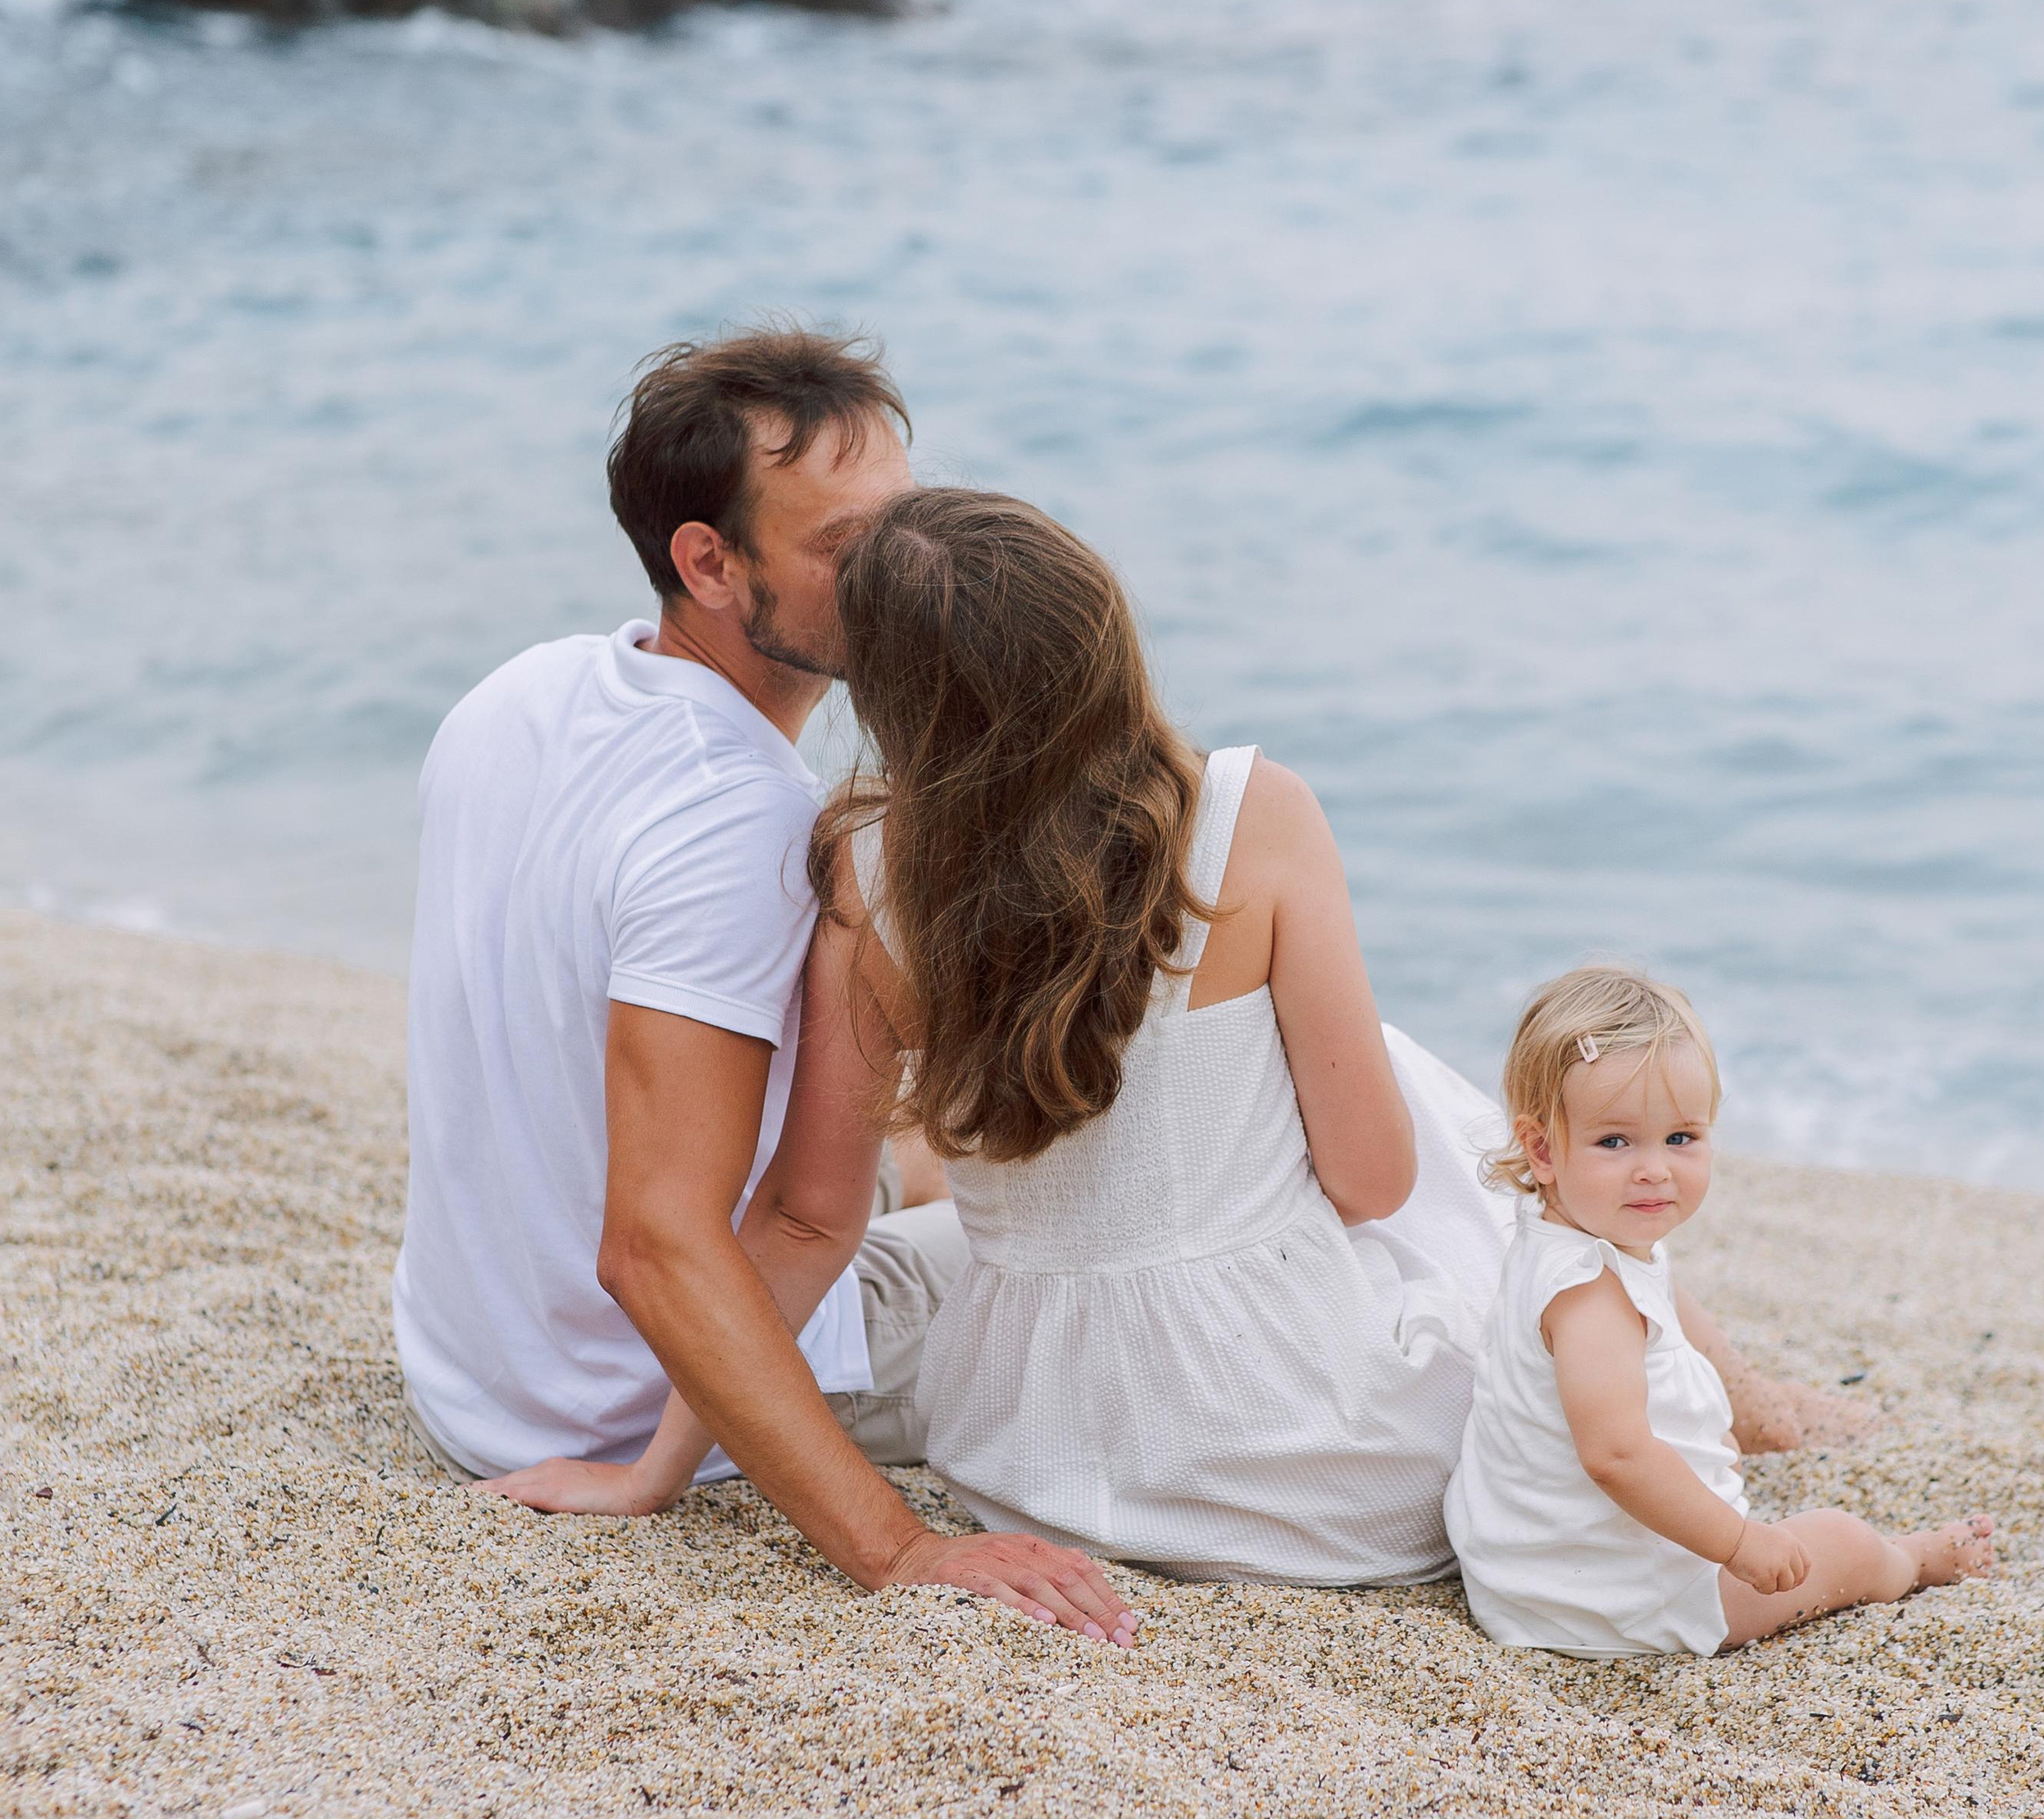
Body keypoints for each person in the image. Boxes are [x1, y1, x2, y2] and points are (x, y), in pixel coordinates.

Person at [699, 488, 1849, 1590]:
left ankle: (1718, 1375)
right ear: (1103, 643)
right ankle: (1709, 1377)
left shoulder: (864, 869)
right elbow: (1373, 1181)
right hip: (1339, 1483)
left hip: (1037, 1466)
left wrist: (652, 1469)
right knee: (1393, 1073)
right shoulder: (1252, 813)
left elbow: (805, 1219)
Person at [392, 328, 1134, 1644]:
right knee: (1114, 1242)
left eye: (909, 526)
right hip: (642, 1403)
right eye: (853, 554)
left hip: (470, 1365)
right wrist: (897, 1548)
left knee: (914, 1146)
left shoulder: (525, 693)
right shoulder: (741, 823)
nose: (914, 579)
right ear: (708, 562)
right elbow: (661, 1244)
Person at [1443, 965, 1994, 1653]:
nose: (1655, 1169)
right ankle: (1912, 1560)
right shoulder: (1587, 1296)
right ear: (1543, 1149)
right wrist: (1738, 1542)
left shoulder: (1587, 1234)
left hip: (1540, 1576)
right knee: (1841, 1543)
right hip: (1610, 1604)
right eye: (1615, 1141)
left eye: (1681, 1138)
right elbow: (1616, 1456)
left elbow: (1663, 1337)